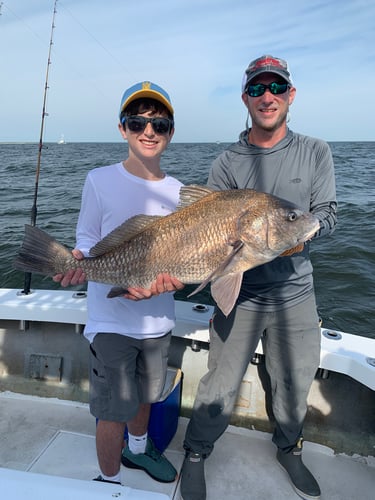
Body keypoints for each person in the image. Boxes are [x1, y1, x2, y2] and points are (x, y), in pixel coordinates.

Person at [180, 55, 337, 500]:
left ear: (290, 95)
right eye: (256, 89)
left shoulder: (315, 151)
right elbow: (206, 225)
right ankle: (195, 451)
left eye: (275, 88)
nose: (266, 97)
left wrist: (302, 235)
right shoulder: (228, 161)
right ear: (245, 98)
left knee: (295, 377)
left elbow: (326, 213)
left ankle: (290, 447)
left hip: (296, 293)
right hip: (241, 289)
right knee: (220, 382)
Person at [54, 81, 184, 485]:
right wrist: (78, 261)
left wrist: (170, 282)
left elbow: (185, 259)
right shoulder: (99, 179)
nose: (148, 131)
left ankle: (139, 451)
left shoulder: (181, 192)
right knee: (112, 411)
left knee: (146, 397)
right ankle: (108, 484)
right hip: (111, 322)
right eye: (137, 121)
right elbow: (88, 238)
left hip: (158, 321)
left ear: (170, 133)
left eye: (159, 124)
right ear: (122, 128)